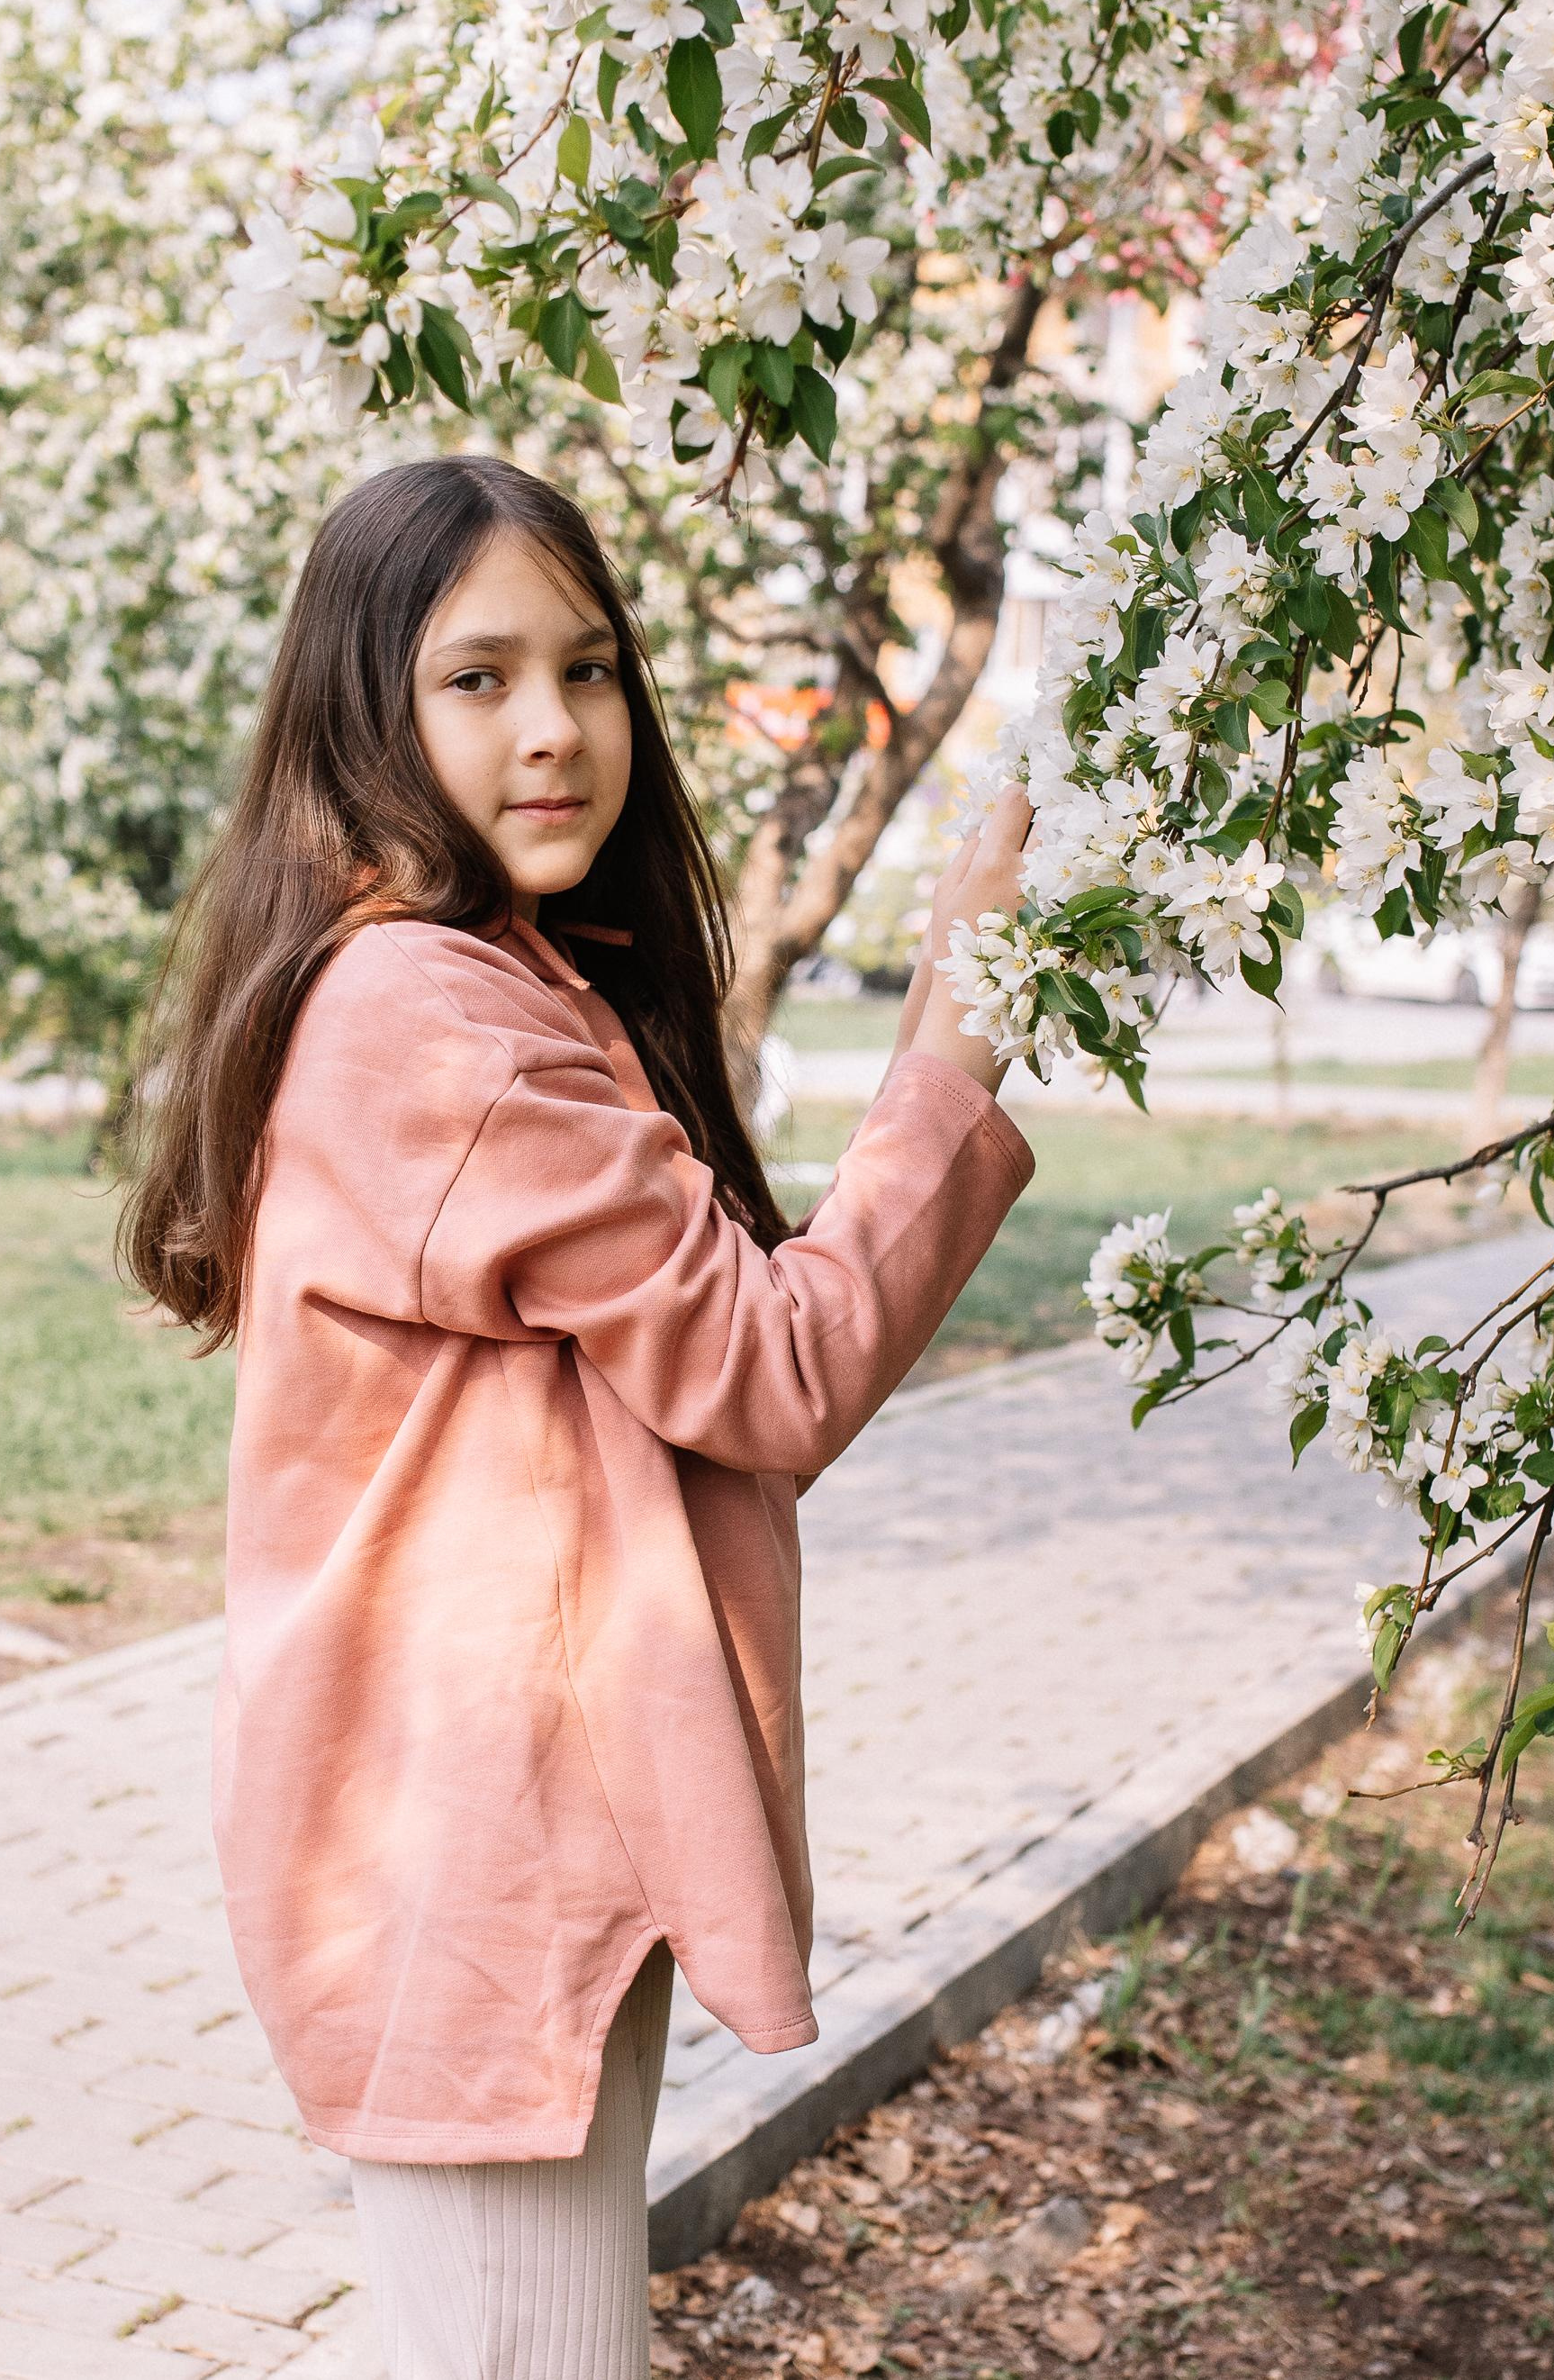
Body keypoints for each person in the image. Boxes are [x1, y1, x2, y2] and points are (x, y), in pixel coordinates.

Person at [119, 457, 1035, 2380]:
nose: (554, 728)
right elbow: (773, 1366)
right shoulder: (425, 1017)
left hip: (499, 1813)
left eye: (592, 668)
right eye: (477, 678)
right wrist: (961, 1002)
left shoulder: (494, 982)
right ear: (365, 711)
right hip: (457, 1837)